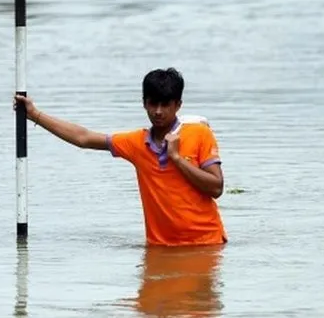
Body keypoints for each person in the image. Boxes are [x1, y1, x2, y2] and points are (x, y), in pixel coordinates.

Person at [13, 67, 227, 247]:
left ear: (178, 105)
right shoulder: (136, 143)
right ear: (144, 103)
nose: (158, 112)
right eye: (153, 104)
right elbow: (84, 138)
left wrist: (177, 159)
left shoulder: (199, 133)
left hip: (207, 244)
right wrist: (35, 115)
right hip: (161, 247)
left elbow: (216, 187)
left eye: (165, 105)